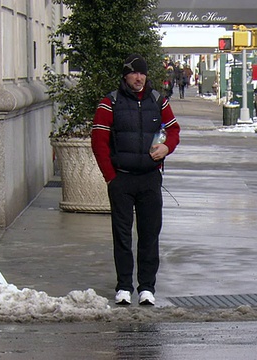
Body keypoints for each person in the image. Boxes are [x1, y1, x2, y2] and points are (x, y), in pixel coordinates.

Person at [91, 54, 181, 306]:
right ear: (125, 76)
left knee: (150, 234)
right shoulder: (110, 103)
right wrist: (111, 177)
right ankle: (123, 287)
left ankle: (147, 287)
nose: (139, 78)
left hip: (150, 179)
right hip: (122, 179)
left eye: (142, 73)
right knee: (122, 236)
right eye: (134, 73)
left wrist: (167, 148)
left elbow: (173, 130)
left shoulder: (158, 101)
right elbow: (98, 141)